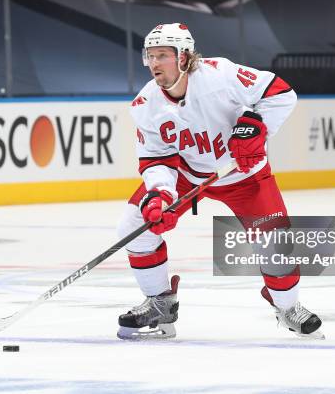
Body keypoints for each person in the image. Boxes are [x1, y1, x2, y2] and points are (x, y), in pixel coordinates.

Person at [116, 23, 322, 340]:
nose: (154, 63)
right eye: (150, 56)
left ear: (183, 58)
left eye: (162, 56)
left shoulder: (220, 76)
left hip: (244, 175)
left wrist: (256, 127)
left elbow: (281, 93)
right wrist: (160, 194)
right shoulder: (146, 106)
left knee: (276, 245)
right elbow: (156, 160)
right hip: (187, 176)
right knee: (134, 223)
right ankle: (160, 302)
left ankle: (287, 306)